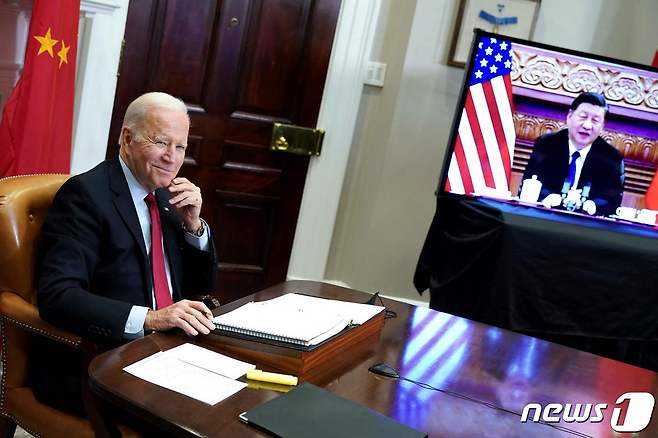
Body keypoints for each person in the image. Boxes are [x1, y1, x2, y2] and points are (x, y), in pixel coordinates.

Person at [34, 92, 218, 413]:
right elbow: (57, 296)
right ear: (127, 137)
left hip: (169, 352)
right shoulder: (86, 196)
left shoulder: (166, 197)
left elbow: (202, 286)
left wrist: (194, 227)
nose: (172, 158)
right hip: (101, 363)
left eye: (181, 147)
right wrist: (150, 318)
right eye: (161, 142)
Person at [521, 92, 624, 216]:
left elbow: (611, 201)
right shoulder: (547, 144)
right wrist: (548, 198)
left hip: (585, 225)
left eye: (595, 121)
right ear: (569, 116)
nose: (587, 125)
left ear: (602, 126)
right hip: (546, 217)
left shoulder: (611, 157)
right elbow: (531, 182)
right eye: (583, 117)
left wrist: (593, 206)